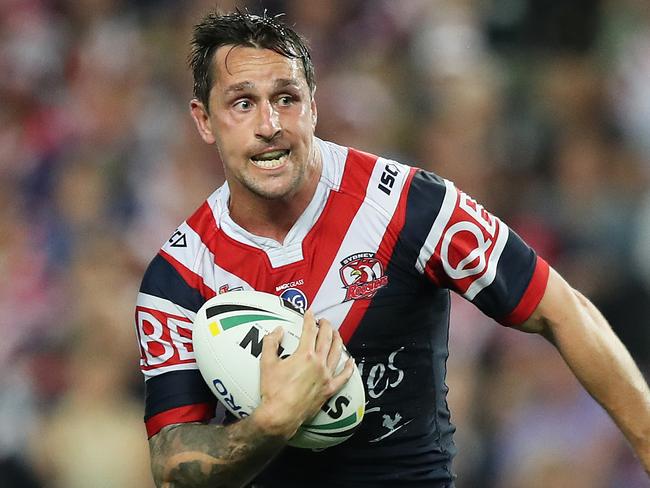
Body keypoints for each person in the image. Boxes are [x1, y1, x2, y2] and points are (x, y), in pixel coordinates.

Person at [134, 9, 650, 488]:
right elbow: (173, 466)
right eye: (242, 103)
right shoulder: (176, 277)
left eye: (286, 98)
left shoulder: (408, 205)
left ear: (314, 105)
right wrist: (272, 423)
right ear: (204, 120)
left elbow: (563, 311)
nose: (269, 126)